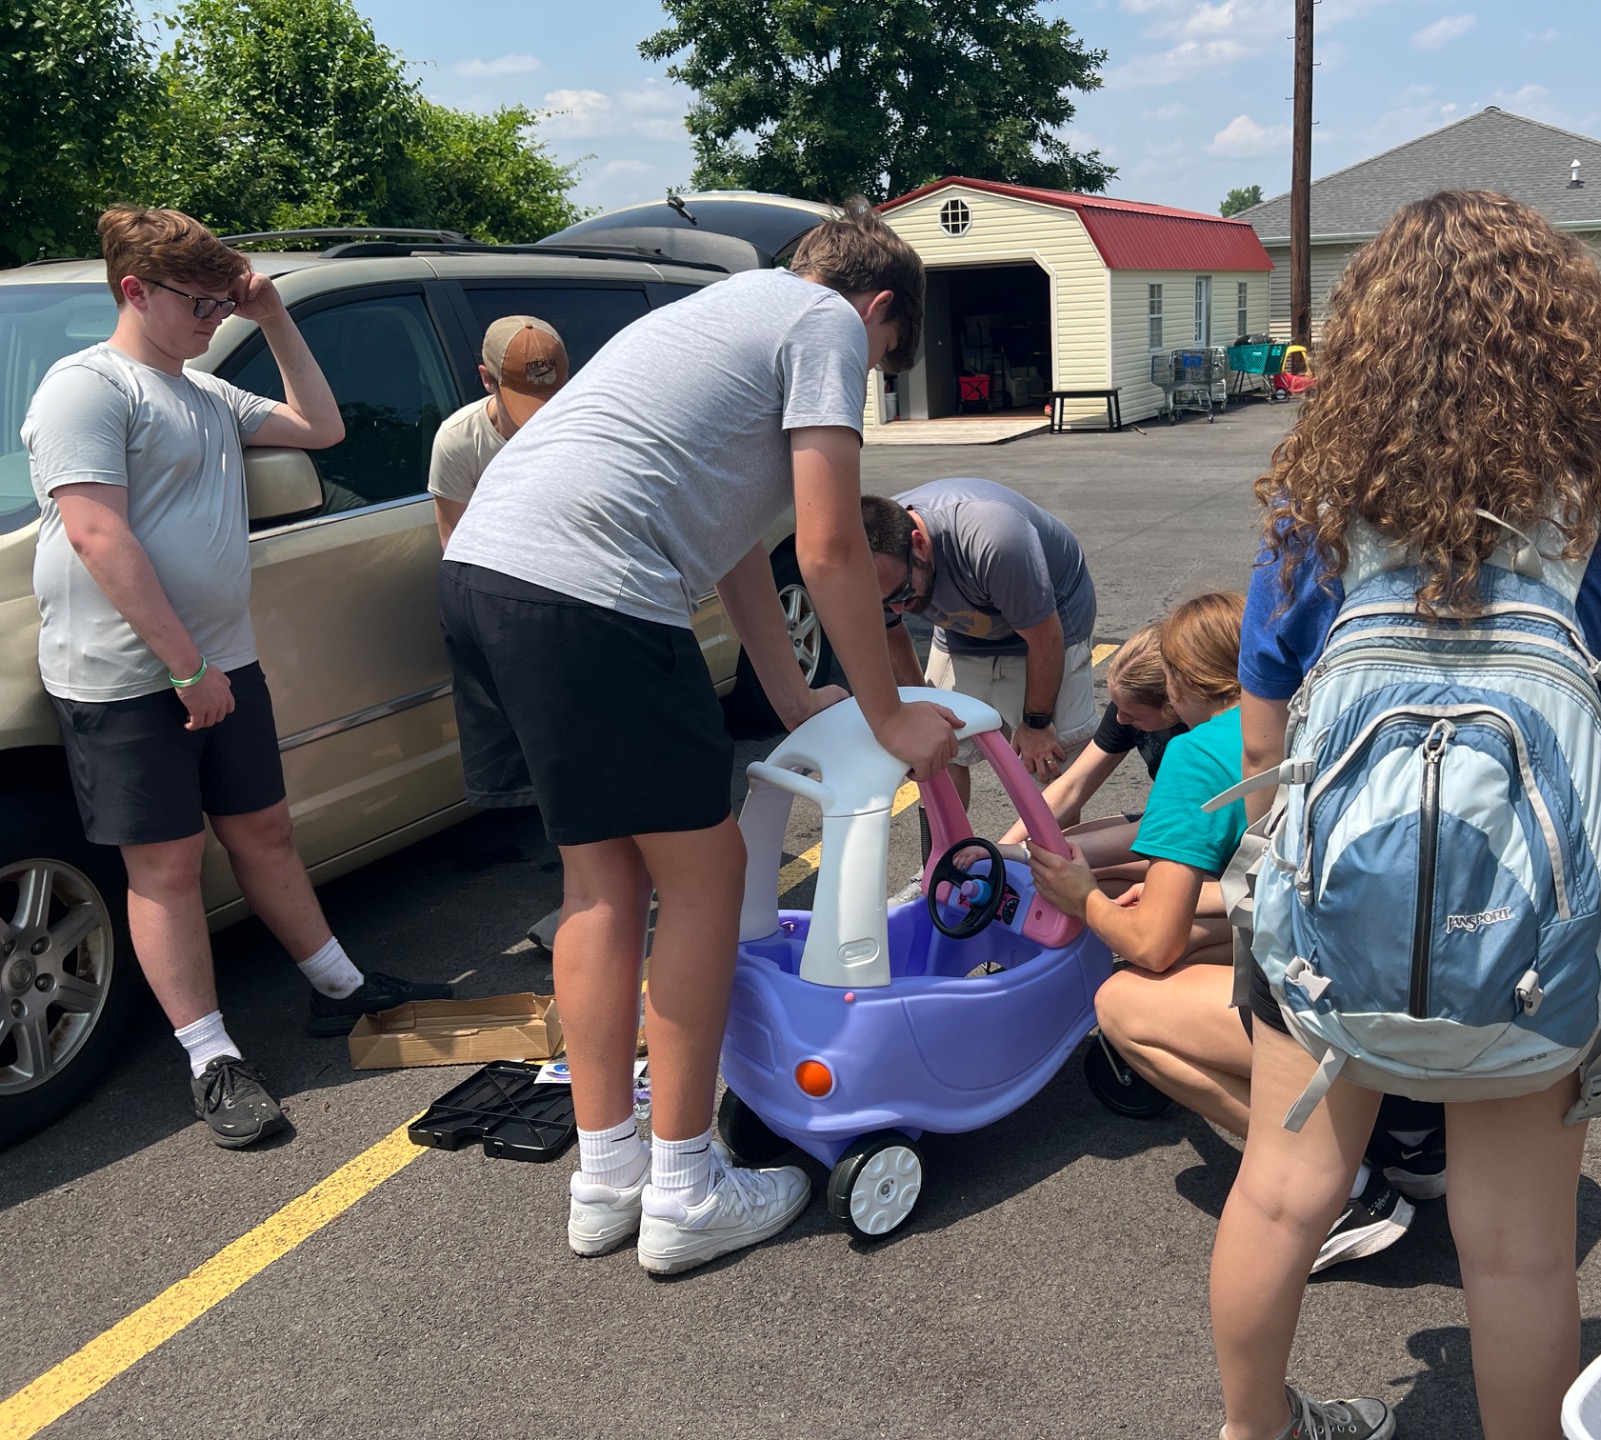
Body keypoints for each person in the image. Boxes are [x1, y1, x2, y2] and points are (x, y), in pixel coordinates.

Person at [1213, 191, 1601, 1440]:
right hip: (1527, 953)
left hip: (1328, 943)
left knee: (1280, 1195)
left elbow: (1267, 765)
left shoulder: (1313, 526)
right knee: (1521, 1251)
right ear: (1568, 342)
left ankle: (1252, 1429)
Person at [439, 205, 960, 1275]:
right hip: (595, 592)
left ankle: (607, 1177)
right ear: (881, 310)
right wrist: (895, 715)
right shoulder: (822, 324)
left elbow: (737, 549)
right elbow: (828, 549)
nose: (868, 375)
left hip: (486, 574)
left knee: (602, 886)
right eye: (886, 359)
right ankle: (684, 1188)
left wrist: (795, 695)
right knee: (708, 872)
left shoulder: (719, 314)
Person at [22, 207, 452, 1149]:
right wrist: (186, 668)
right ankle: (211, 1057)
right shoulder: (88, 388)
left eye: (224, 300)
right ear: (134, 291)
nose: (215, 316)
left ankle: (340, 988)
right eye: (200, 302)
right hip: (132, 677)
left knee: (263, 830)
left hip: (219, 663)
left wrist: (273, 316)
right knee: (168, 866)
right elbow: (97, 533)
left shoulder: (207, 394)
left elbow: (323, 427)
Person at [1029, 593, 1437, 1276]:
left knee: (1122, 1000)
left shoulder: (1195, 753)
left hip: (1342, 1008)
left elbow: (1150, 943)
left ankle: (1343, 1190)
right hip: (1423, 988)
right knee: (1203, 935)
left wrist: (1083, 898)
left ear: (1181, 683)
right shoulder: (1331, 713)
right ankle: (1410, 1132)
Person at [862, 480, 1098, 809]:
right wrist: (919, 712)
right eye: (885, 604)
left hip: (1049, 623)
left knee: (1046, 765)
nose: (898, 610)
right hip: (962, 625)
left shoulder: (996, 539)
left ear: (918, 544)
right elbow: (890, 635)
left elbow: (1044, 638)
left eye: (903, 595)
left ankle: (1052, 856)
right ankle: (945, 854)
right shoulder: (865, 563)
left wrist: (1037, 723)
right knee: (935, 752)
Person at [999, 622, 1185, 884]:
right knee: (1050, 857)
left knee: (1072, 875)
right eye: (1117, 707)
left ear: (1174, 704)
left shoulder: (1199, 739)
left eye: (1132, 714)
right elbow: (1073, 786)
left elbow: (1163, 831)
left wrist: (1022, 853)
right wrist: (1001, 849)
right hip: (1163, 823)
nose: (1119, 719)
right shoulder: (1129, 709)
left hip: (1200, 839)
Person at [429, 316, 570, 547]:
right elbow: (455, 543)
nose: (543, 416)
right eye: (526, 403)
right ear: (487, 379)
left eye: (553, 397)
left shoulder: (583, 426)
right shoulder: (459, 440)